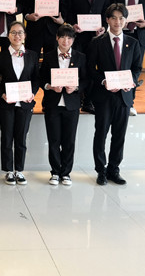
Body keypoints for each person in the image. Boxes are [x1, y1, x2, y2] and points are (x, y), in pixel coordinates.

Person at [87, 3, 142, 186]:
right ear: (107, 20)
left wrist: (131, 81)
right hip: (104, 96)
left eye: (121, 18)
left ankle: (114, 169)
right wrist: (103, 81)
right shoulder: (97, 42)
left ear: (126, 20)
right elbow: (90, 69)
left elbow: (137, 67)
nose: (117, 22)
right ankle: (101, 170)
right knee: (101, 134)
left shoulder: (133, 43)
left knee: (119, 136)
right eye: (114, 18)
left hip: (124, 97)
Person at [40, 23, 88, 186]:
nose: (65, 41)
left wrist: (76, 87)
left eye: (69, 38)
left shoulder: (80, 57)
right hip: (52, 104)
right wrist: (50, 86)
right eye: (62, 37)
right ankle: (55, 172)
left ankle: (66, 173)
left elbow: (86, 80)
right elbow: (41, 79)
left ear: (73, 40)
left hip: (72, 105)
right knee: (53, 140)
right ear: (56, 38)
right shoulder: (48, 56)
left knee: (69, 140)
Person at [64, 0, 110, 114]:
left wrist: (104, 27)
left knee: (93, 68)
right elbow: (67, 11)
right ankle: (76, 98)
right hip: (78, 37)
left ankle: (89, 100)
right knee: (78, 68)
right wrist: (72, 25)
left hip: (97, 38)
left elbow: (106, 12)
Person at [0, 21, 40, 185]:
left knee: (21, 138)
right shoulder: (0, 56)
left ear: (25, 36)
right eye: (13, 32)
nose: (17, 36)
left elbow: (36, 79)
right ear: (8, 36)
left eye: (20, 32)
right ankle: (8, 170)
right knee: (7, 137)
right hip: (6, 103)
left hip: (25, 103)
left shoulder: (32, 55)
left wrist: (32, 93)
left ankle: (19, 170)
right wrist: (2, 94)